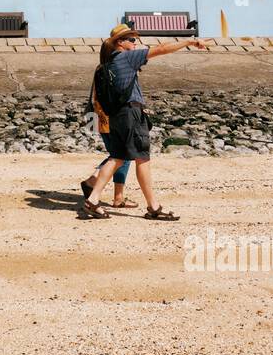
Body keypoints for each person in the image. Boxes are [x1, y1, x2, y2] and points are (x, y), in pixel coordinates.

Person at [82, 23, 207, 221]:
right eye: (131, 39)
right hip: (131, 114)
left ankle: (94, 199)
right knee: (141, 158)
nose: (135, 42)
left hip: (116, 116)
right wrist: (190, 41)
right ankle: (153, 206)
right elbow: (161, 49)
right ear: (120, 43)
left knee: (118, 157)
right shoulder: (127, 58)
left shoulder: (107, 63)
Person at [81, 79, 135, 207]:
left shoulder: (102, 66)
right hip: (113, 118)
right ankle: (116, 196)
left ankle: (97, 182)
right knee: (123, 154)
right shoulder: (121, 66)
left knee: (118, 155)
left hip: (99, 117)